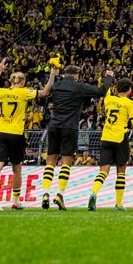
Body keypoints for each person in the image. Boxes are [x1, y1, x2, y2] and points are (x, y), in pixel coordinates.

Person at [0, 58, 56, 211]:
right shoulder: (23, 92)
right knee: (17, 168)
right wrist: (52, 74)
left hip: (1, 133)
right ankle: (15, 201)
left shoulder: (1, 92)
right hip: (16, 134)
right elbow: (44, 92)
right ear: (22, 81)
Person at [41, 62, 111, 211]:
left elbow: (46, 92)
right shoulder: (79, 86)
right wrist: (108, 78)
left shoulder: (56, 85)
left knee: (51, 160)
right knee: (66, 161)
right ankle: (59, 194)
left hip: (54, 125)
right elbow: (101, 91)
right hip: (69, 127)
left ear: (64, 74)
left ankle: (45, 193)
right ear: (77, 76)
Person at [88, 77, 133, 212]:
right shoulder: (129, 103)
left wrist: (108, 77)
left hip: (106, 137)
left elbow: (104, 89)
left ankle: (94, 193)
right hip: (120, 138)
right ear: (130, 91)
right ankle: (118, 204)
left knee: (103, 171)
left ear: (116, 89)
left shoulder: (108, 99)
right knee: (121, 171)